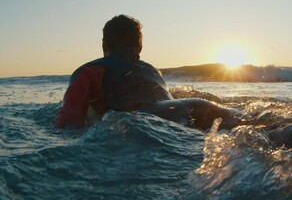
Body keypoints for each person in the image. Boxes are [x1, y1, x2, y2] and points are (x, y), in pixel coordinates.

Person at [55, 15, 238, 129]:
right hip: (197, 106)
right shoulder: (153, 71)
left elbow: (67, 124)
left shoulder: (88, 71)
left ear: (104, 45)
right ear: (140, 46)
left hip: (154, 123)